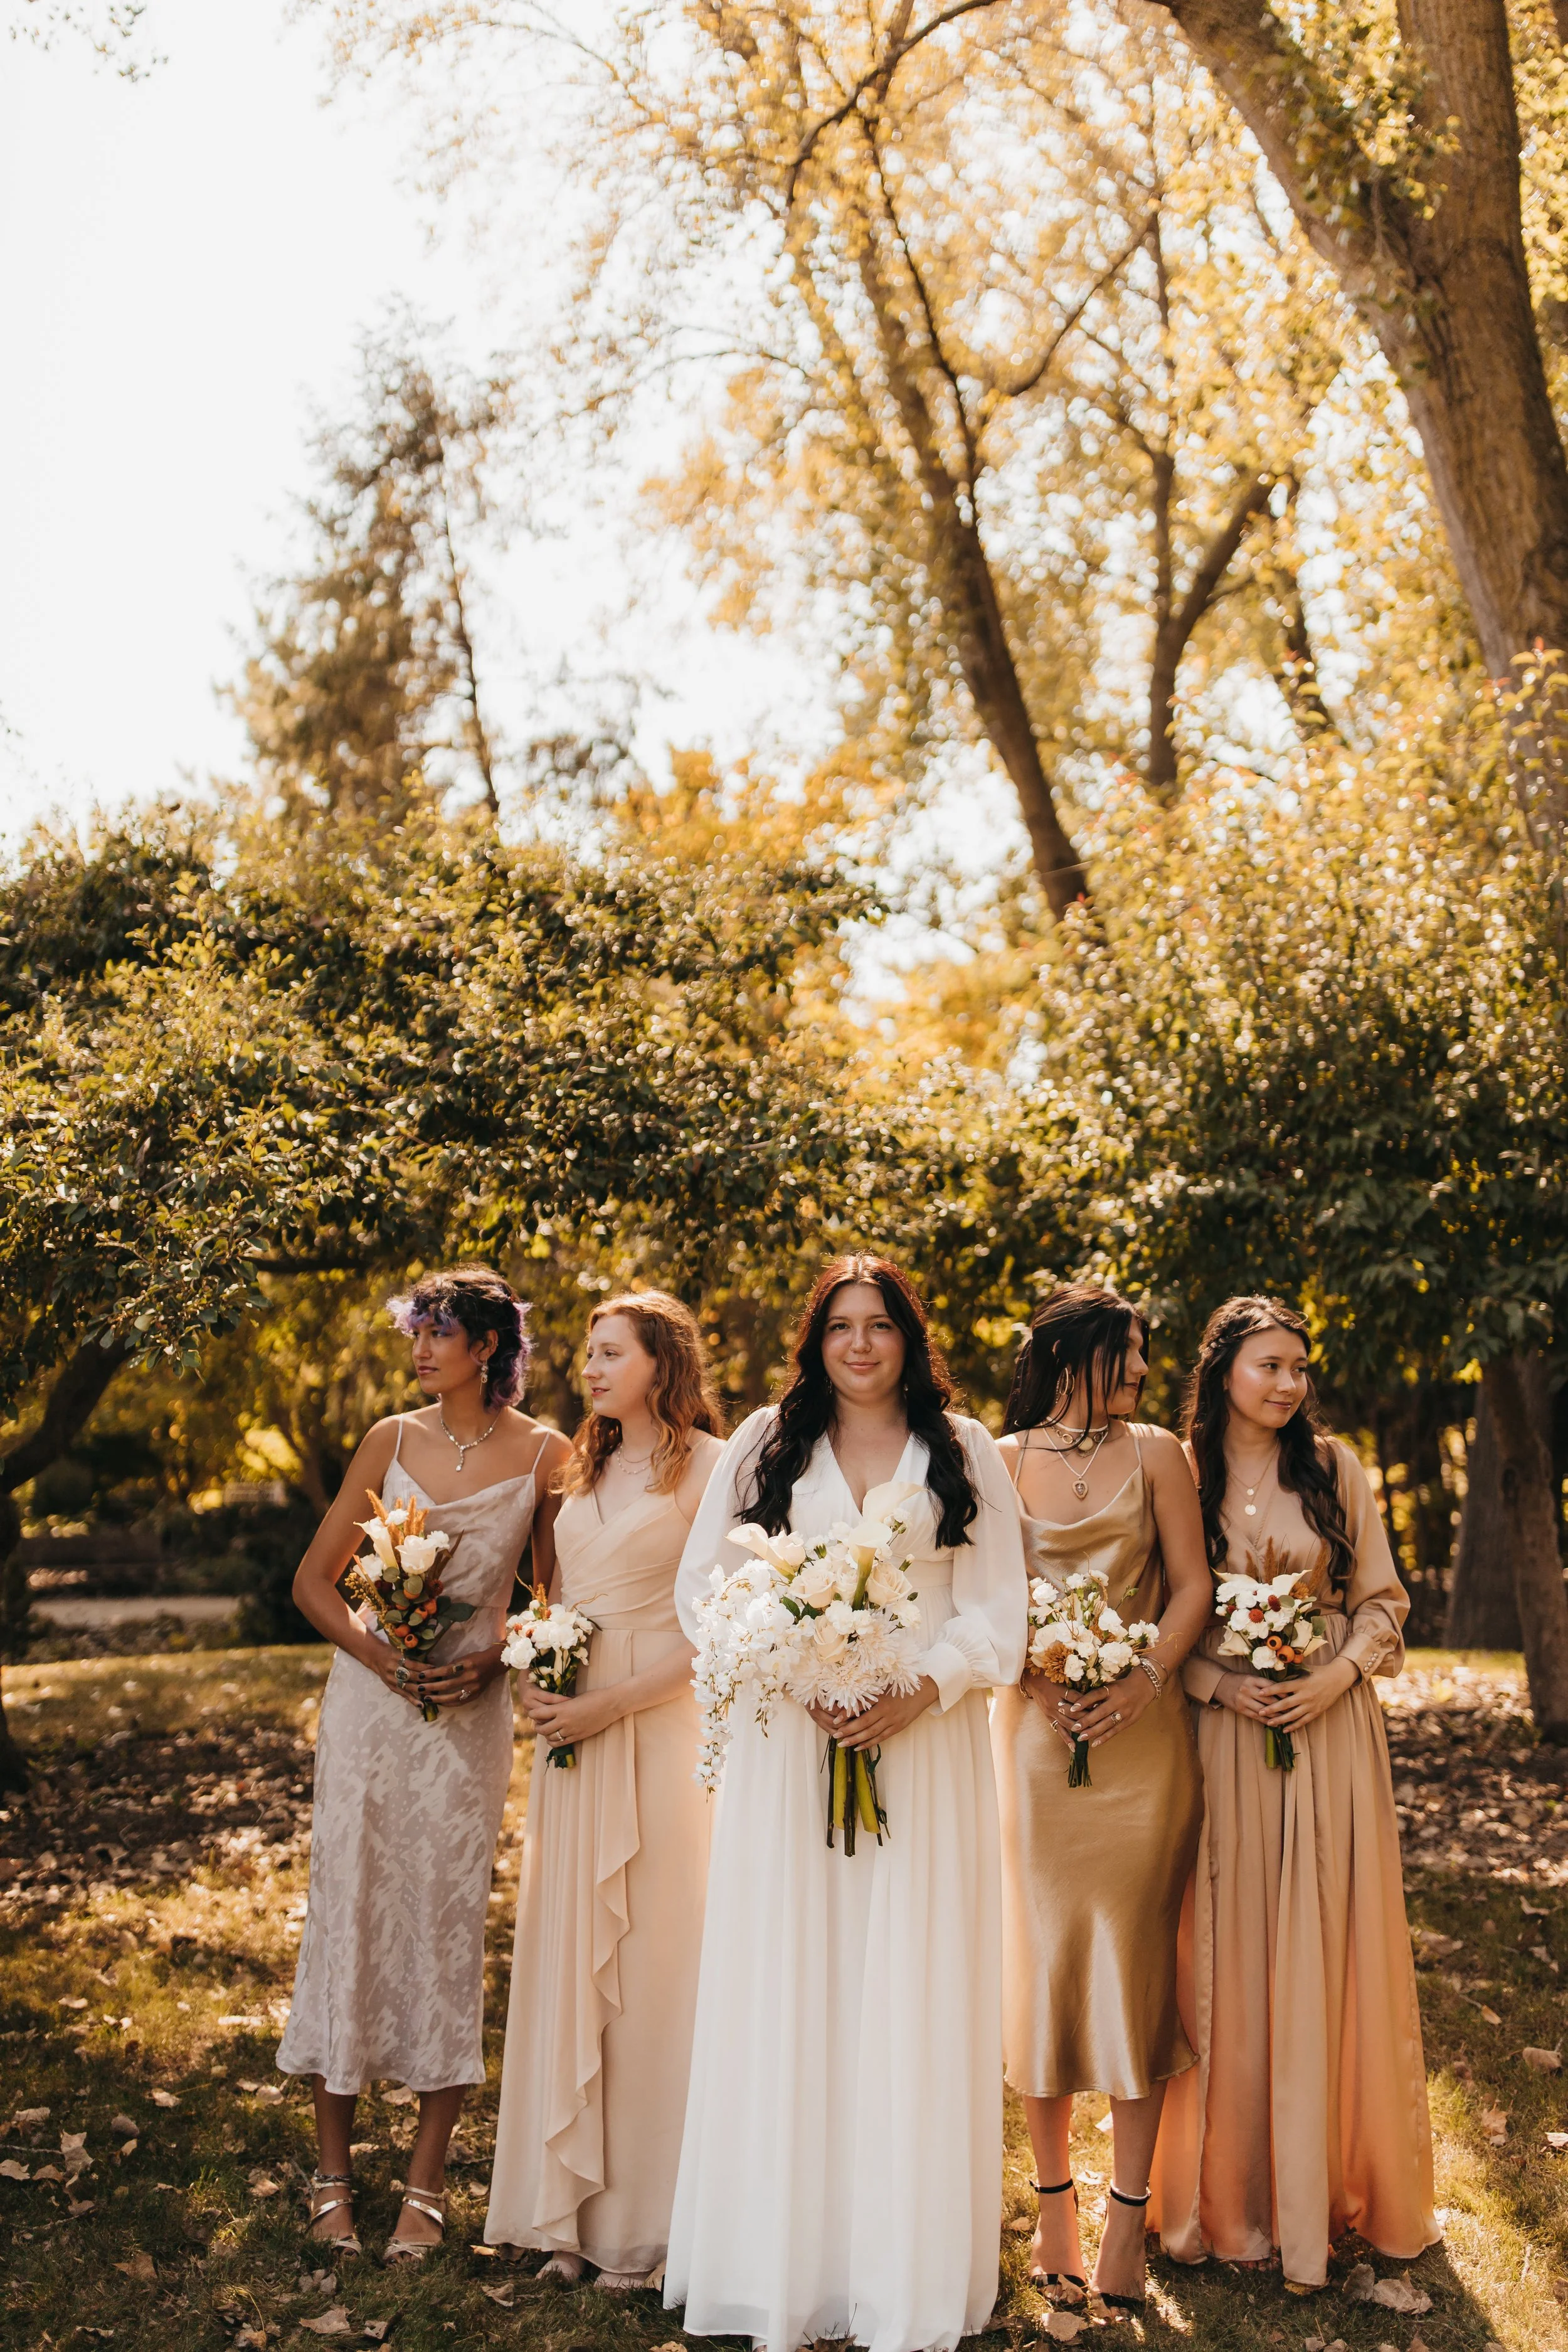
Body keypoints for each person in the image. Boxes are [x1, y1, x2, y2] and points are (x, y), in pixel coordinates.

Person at [664, 1255, 1027, 2352]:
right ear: (815, 1341)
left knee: (908, 1988)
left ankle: (902, 2272)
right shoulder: (764, 1443)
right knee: (794, 1980)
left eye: (880, 1325)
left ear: (911, 1339)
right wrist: (790, 1664)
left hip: (924, 1747)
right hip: (791, 1747)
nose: (860, 1344)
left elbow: (1000, 1606)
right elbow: (703, 1593)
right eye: (840, 1327)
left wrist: (924, 1684)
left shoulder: (964, 1453)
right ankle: (783, 2265)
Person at [278, 1265, 571, 2262]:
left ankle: (427, 2174)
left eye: (439, 1331)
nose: (420, 1348)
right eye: (418, 1331)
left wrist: (496, 1653)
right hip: (369, 1706)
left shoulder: (547, 1455)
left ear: (487, 1346)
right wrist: (382, 1655)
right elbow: (315, 1583)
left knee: (447, 1922)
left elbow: (554, 1601)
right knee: (349, 1908)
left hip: (467, 1719)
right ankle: (329, 2174)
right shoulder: (389, 1440)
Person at [1150, 1295, 1438, 2290]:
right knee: (1221, 1943)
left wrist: (1333, 1677)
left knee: (1324, 1937)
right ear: (1223, 1366)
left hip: (1328, 1735)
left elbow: (1384, 1602)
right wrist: (1221, 1682)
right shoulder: (1178, 1474)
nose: (1287, 1384)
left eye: (1299, 1368)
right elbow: (1154, 1613)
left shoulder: (1336, 1468)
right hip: (1219, 1730)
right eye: (1269, 1364)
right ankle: (1224, 2199)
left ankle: (1325, 2188)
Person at [485, 1291, 725, 2286]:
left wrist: (609, 1703)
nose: (588, 1366)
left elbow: (717, 1630)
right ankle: (566, 2220)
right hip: (571, 1740)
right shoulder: (578, 1467)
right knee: (573, 1951)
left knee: (653, 1967)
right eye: (586, 1352)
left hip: (659, 1728)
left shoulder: (713, 1469)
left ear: (662, 1362)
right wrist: (541, 1671)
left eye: (610, 1350)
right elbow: (558, 1594)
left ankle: (647, 2226)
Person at [992, 1284, 1210, 2314]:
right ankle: (1054, 2204)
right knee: (1043, 1960)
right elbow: (986, 1599)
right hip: (1036, 1744)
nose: (1140, 1373)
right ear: (1074, 1352)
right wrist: (1036, 1680)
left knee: (1133, 1966)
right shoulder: (999, 1460)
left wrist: (1142, 1678)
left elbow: (1192, 1585)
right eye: (1126, 1354)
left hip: (1145, 1745)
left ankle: (1130, 2213)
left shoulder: (1162, 1451)